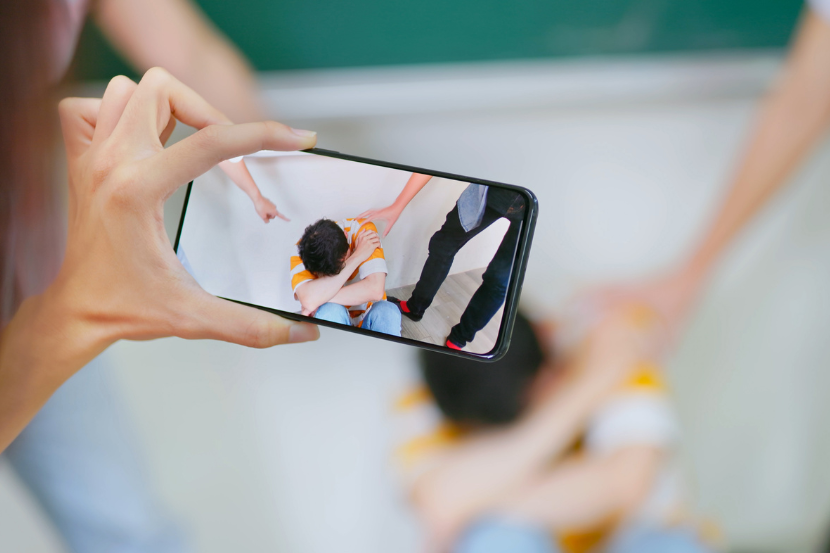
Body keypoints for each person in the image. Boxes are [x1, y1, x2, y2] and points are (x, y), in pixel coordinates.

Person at [0, 1, 319, 552]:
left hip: (35, 287)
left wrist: (288, 187)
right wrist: (82, 317)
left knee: (129, 531)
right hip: (52, 310)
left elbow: (192, 56)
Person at [393, 307, 716, 553]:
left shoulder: (604, 333)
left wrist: (473, 501)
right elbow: (438, 502)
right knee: (491, 541)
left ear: (548, 336)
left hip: (645, 537)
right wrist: (585, 391)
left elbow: (626, 483)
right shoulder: (435, 388)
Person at [360, 174, 525, 350]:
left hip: (533, 212)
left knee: (499, 280)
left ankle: (460, 338)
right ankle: (415, 307)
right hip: (492, 192)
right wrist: (397, 206)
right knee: (442, 246)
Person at [291, 218, 402, 336]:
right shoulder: (305, 251)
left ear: (346, 235)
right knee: (331, 311)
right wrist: (358, 256)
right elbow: (308, 300)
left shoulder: (364, 232)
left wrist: (318, 299)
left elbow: (376, 290)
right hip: (334, 320)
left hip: (368, 319)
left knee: (388, 311)